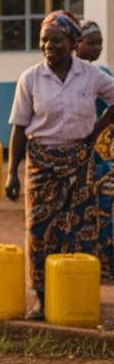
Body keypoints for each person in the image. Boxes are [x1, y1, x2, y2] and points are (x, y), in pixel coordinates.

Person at [5, 11, 114, 311]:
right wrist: (11, 172)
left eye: (57, 40)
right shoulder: (30, 78)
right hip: (41, 164)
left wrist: (96, 131)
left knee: (78, 229)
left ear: (73, 41)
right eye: (44, 40)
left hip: (80, 163)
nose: (49, 45)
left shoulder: (91, 75)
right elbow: (18, 128)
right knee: (39, 230)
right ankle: (41, 299)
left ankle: (73, 295)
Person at [76, 21, 114, 282]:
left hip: (102, 149)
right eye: (92, 42)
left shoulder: (101, 72)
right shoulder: (71, 74)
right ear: (76, 43)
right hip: (80, 149)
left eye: (100, 42)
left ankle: (104, 266)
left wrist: (96, 129)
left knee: (104, 203)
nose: (98, 47)